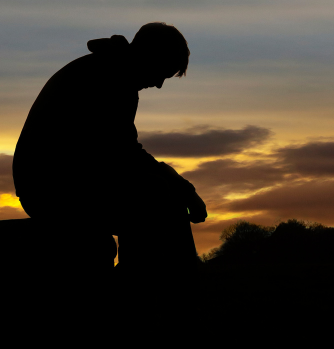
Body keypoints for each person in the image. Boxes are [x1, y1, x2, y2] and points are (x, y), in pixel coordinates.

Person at [13, 22, 208, 294]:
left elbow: (119, 151)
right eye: (163, 71)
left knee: (161, 194)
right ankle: (152, 293)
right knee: (154, 194)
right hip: (51, 188)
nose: (160, 84)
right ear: (151, 55)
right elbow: (121, 154)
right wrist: (181, 186)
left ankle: (164, 291)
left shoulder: (109, 70)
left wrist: (178, 185)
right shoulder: (110, 77)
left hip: (57, 182)